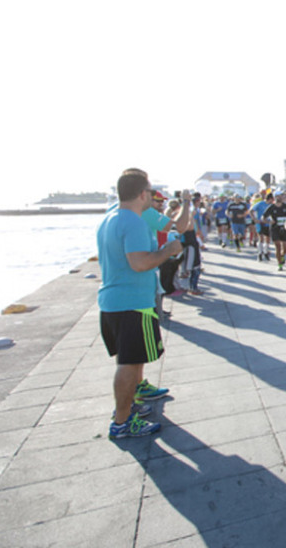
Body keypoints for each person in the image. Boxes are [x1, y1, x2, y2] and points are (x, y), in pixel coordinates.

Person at [97, 170, 182, 439]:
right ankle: (122, 422)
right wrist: (168, 251)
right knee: (129, 364)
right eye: (150, 192)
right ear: (142, 194)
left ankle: (127, 409)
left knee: (129, 362)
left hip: (113, 302)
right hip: (131, 304)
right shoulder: (133, 222)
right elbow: (139, 263)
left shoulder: (110, 217)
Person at [263, 193, 286, 271]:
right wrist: (269, 221)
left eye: (280, 196)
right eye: (276, 196)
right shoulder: (271, 207)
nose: (278, 198)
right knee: (278, 247)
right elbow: (263, 217)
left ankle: (282, 256)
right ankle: (279, 264)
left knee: (285, 248)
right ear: (274, 198)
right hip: (275, 229)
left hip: (284, 228)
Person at [251, 193, 272, 261]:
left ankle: (265, 252)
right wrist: (255, 219)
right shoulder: (260, 203)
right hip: (260, 223)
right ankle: (260, 253)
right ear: (270, 199)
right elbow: (251, 211)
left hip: (268, 223)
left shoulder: (272, 205)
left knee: (268, 239)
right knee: (261, 238)